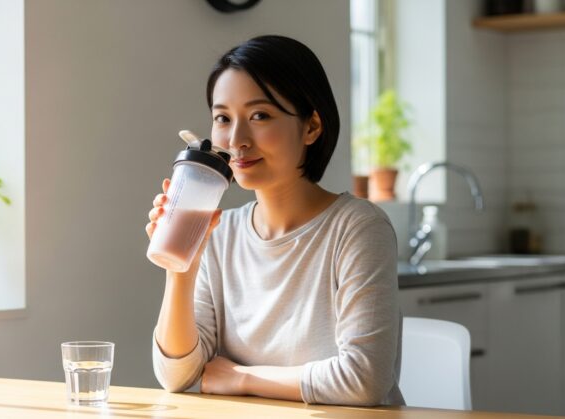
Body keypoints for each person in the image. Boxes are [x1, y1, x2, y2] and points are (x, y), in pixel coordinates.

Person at [145, 35, 404, 406]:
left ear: (312, 126)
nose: (236, 140)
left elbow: (364, 380)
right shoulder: (220, 232)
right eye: (223, 118)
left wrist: (239, 377)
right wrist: (182, 267)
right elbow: (177, 375)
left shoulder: (359, 228)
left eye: (260, 116)